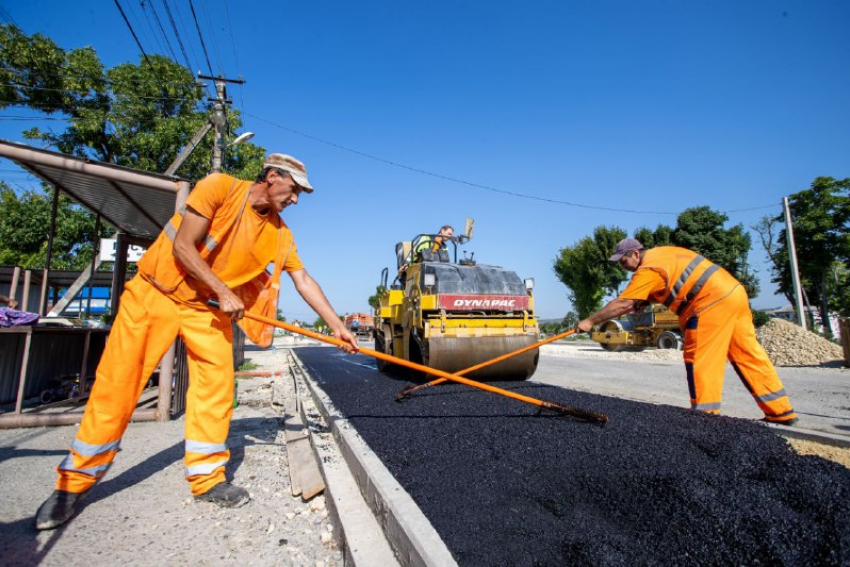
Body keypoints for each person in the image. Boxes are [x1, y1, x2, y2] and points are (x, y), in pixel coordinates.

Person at [35, 153, 359, 530]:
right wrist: (223, 290)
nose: (296, 199)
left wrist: (337, 325)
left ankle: (207, 479)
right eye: (295, 190)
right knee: (117, 387)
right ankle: (70, 486)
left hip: (205, 311)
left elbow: (303, 280)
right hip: (154, 294)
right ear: (272, 176)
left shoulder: (280, 235)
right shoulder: (219, 188)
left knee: (217, 390)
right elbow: (183, 246)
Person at [576, 238, 797, 426]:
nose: (622, 266)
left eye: (623, 261)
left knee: (700, 359)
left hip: (708, 303)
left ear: (635, 253)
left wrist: (590, 321)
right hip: (733, 293)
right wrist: (650, 298)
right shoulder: (665, 253)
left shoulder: (647, 269)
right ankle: (781, 413)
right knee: (748, 355)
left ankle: (704, 421)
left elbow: (623, 303)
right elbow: (676, 278)